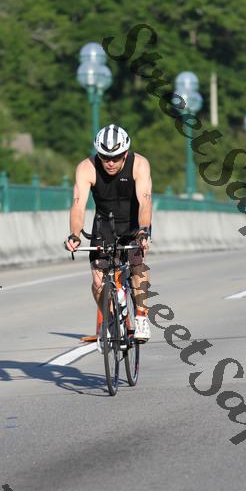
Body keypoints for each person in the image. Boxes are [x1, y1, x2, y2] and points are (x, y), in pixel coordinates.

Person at [65, 124, 152, 350]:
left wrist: (144, 230)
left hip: (133, 225)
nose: (110, 162)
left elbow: (145, 201)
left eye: (115, 157)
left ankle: (141, 316)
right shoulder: (86, 168)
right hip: (104, 226)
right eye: (105, 157)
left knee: (137, 265)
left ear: (125, 153)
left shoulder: (139, 164)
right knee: (98, 281)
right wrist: (75, 234)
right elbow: (78, 205)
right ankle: (112, 320)